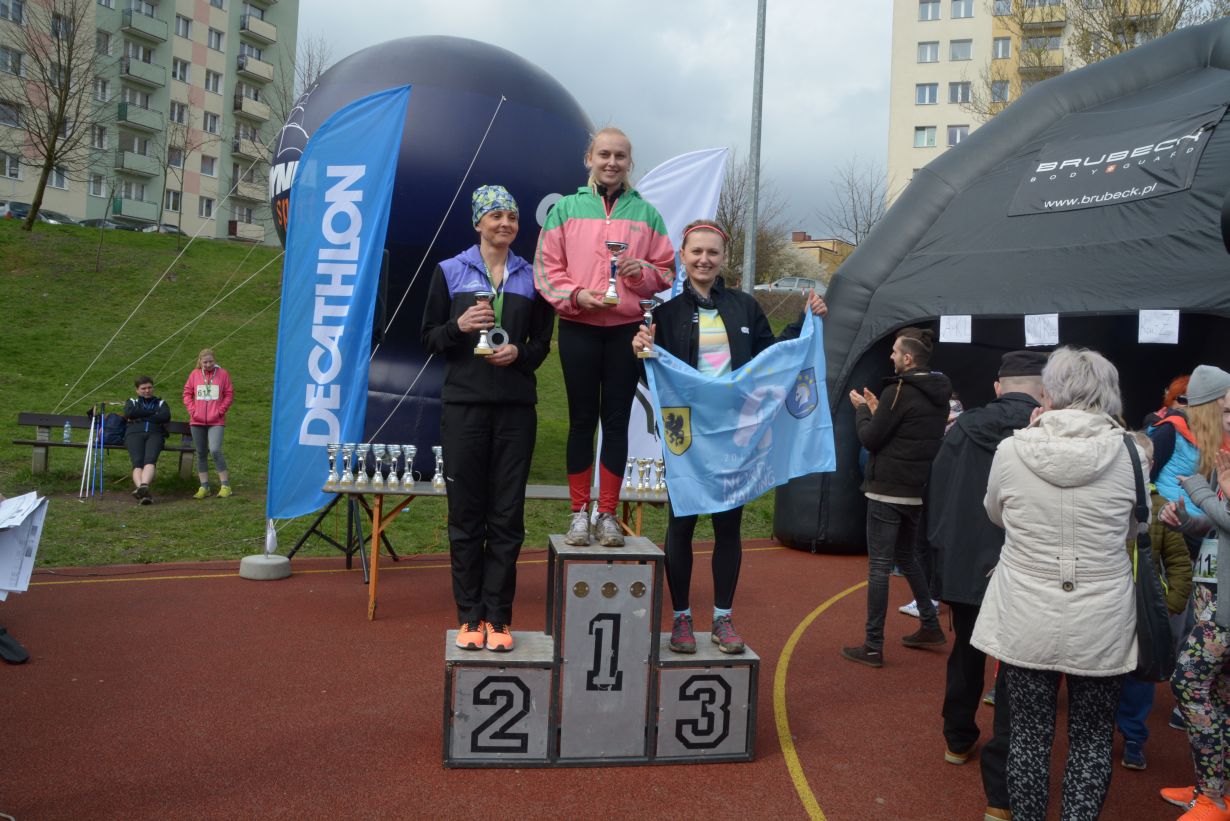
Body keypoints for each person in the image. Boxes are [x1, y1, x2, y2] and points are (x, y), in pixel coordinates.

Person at [632, 219, 826, 654]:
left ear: (723, 258)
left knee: (727, 526)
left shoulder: (745, 306)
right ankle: (681, 620)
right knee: (682, 523)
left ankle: (722, 618)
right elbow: (651, 378)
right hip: (687, 436)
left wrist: (805, 321)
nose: (704, 259)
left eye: (712, 253)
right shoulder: (663, 314)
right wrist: (638, 354)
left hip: (735, 434)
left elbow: (769, 359)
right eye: (696, 252)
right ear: (683, 256)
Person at [971, 346, 1141, 821]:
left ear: (1049, 392)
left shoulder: (1012, 449)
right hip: (1103, 615)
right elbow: (1134, 528)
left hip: (1027, 608)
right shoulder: (1132, 453)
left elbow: (995, 513)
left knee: (1027, 735)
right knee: (1092, 737)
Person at [422, 185, 554, 653]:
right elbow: (429, 337)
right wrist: (457, 327)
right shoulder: (449, 271)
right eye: (496, 216)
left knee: (506, 517)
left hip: (516, 409)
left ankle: (498, 618)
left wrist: (519, 353)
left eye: (512, 217)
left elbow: (542, 344)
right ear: (478, 222)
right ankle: (469, 616)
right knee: (466, 515)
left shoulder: (533, 276)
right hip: (464, 407)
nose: (505, 223)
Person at [534, 126, 676, 548]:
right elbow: (546, 269)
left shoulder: (646, 214)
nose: (612, 162)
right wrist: (576, 296)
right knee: (581, 421)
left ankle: (608, 513)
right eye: (604, 155)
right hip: (578, 327)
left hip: (624, 333)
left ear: (630, 163)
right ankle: (579, 512)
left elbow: (667, 272)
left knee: (616, 424)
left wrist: (641, 272)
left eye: (620, 156)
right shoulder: (565, 209)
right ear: (589, 159)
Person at [926, 350, 1046, 821]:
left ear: (998, 386)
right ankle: (1001, 792)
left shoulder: (962, 429)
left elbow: (937, 495)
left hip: (966, 563)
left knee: (967, 652)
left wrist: (941, 559)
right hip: (1023, 566)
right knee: (1017, 669)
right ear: (1045, 390)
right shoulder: (1045, 433)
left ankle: (957, 738)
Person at [841, 327, 951, 668]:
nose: (890, 356)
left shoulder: (899, 390)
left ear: (907, 358)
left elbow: (872, 439)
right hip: (914, 491)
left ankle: (873, 645)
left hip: (886, 490)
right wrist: (879, 409)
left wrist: (863, 410)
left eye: (894, 351)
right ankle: (930, 625)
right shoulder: (938, 394)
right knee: (908, 558)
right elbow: (904, 431)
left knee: (879, 568)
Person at [1159, 435, 1230, 821]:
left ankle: (1213, 798)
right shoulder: (1225, 457)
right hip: (1212, 597)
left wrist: (1199, 490)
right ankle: (1214, 790)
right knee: (1219, 693)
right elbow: (1220, 525)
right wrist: (1187, 520)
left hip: (1224, 607)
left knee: (1186, 682)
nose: (1225, 418)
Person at [1114, 431, 1192, 772]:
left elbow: (1178, 563)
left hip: (1144, 608)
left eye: (1142, 462)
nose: (1135, 467)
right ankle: (1099, 732)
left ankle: (1133, 736)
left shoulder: (1162, 509)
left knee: (1140, 676)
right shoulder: (1105, 503)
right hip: (1106, 605)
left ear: (1152, 465)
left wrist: (1171, 604)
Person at [182, 348, 234, 498]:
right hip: (197, 421)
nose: (208, 364)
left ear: (214, 360)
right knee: (201, 453)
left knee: (215, 450)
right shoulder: (194, 374)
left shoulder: (223, 374)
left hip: (216, 420)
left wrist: (220, 411)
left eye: (210, 361)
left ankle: (225, 486)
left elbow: (229, 394)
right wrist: (193, 411)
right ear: (200, 362)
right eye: (205, 362)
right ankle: (204, 487)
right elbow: (187, 393)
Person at [123, 376, 171, 505]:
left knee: (150, 460)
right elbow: (129, 413)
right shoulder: (132, 401)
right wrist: (153, 413)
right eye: (143, 388)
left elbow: (165, 416)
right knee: (137, 462)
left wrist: (141, 416)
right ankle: (143, 490)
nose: (147, 391)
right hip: (134, 434)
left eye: (149, 387)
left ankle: (142, 487)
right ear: (137, 390)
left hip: (155, 434)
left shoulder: (161, 403)